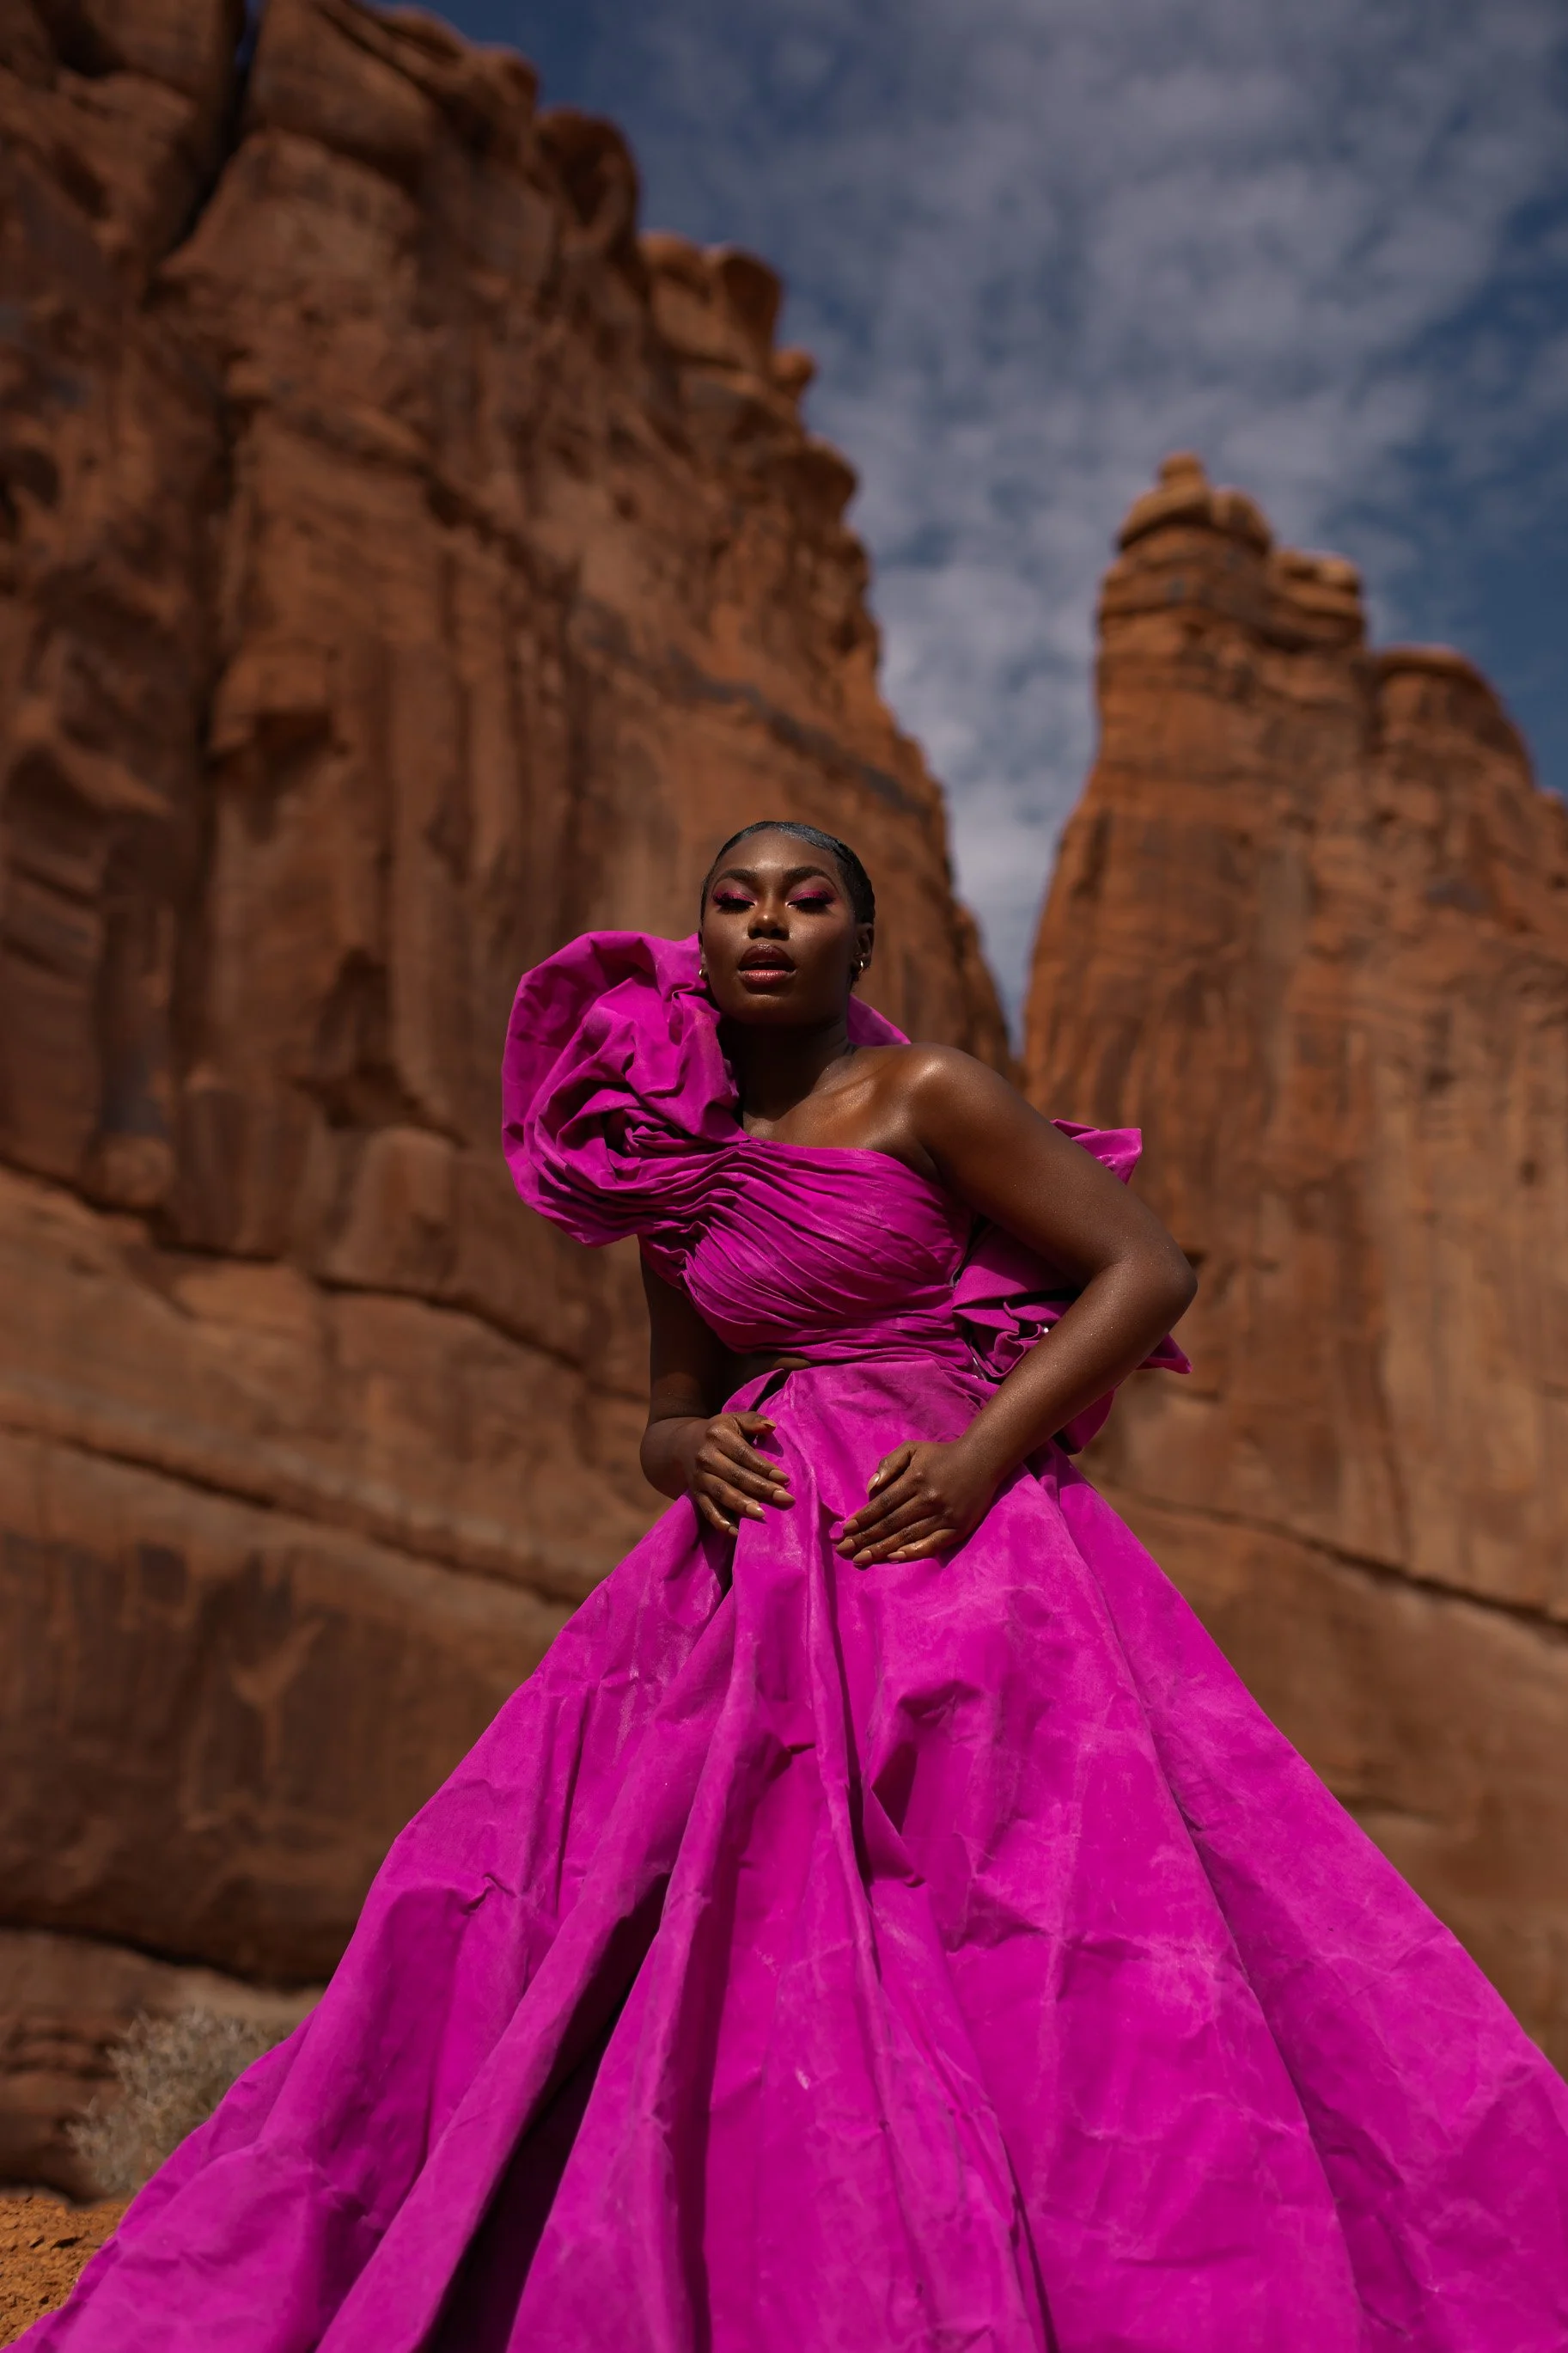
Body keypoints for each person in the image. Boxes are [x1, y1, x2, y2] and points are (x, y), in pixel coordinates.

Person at [32, 821, 1568, 2351]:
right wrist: (689, 1452)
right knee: (638, 1905)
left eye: (807, 897)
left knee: (1028, 1912)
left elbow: (1146, 1267)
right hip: (749, 1571)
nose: (769, 922)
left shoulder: (930, 1094)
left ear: (861, 942)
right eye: (735, 898)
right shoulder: (676, 1168)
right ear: (700, 938)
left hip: (959, 1548)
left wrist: (976, 1459)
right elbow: (667, 1408)